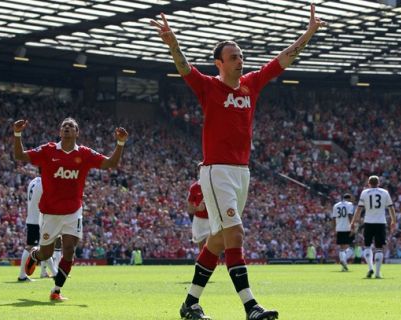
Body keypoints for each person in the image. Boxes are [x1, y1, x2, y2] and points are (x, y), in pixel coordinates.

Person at [151, 5, 326, 320]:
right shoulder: (209, 86)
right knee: (236, 234)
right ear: (219, 63)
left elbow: (283, 59)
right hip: (216, 170)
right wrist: (173, 44)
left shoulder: (252, 84)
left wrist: (309, 33)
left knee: (218, 240)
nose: (240, 59)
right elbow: (184, 67)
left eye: (241, 55)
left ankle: (190, 303)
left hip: (242, 172)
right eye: (233, 56)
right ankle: (251, 306)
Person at [13, 117, 128, 301]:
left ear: (77, 132)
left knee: (68, 250)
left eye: (71, 126)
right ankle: (35, 255)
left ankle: (56, 290)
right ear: (60, 132)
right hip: (50, 212)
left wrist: (120, 143)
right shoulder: (48, 150)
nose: (67, 128)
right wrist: (17, 134)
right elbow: (20, 156)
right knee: (46, 254)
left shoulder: (84, 153)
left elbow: (110, 164)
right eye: (64, 126)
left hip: (73, 212)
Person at [350, 175, 397, 279]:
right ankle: (377, 273)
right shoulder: (385, 192)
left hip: (368, 222)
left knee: (367, 246)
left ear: (368, 183)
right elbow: (391, 208)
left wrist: (353, 222)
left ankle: (370, 267)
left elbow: (359, 209)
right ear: (379, 183)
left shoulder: (364, 192)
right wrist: (393, 221)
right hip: (380, 222)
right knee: (379, 248)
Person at [18, 176, 57, 282]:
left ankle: (54, 272)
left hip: (33, 217)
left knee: (45, 245)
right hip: (39, 219)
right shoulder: (45, 183)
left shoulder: (34, 181)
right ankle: (22, 275)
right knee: (31, 246)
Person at [331, 193, 355, 271]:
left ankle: (343, 267)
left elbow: (334, 218)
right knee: (351, 247)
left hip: (339, 228)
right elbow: (349, 215)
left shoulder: (336, 205)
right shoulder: (349, 204)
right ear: (349, 198)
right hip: (347, 227)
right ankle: (343, 260)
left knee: (342, 248)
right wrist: (352, 227)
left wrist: (334, 228)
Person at [187, 176, 210, 251]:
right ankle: (203, 262)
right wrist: (198, 208)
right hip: (199, 221)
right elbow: (189, 209)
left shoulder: (216, 186)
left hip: (213, 220)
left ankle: (211, 262)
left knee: (212, 246)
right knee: (202, 247)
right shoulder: (194, 187)